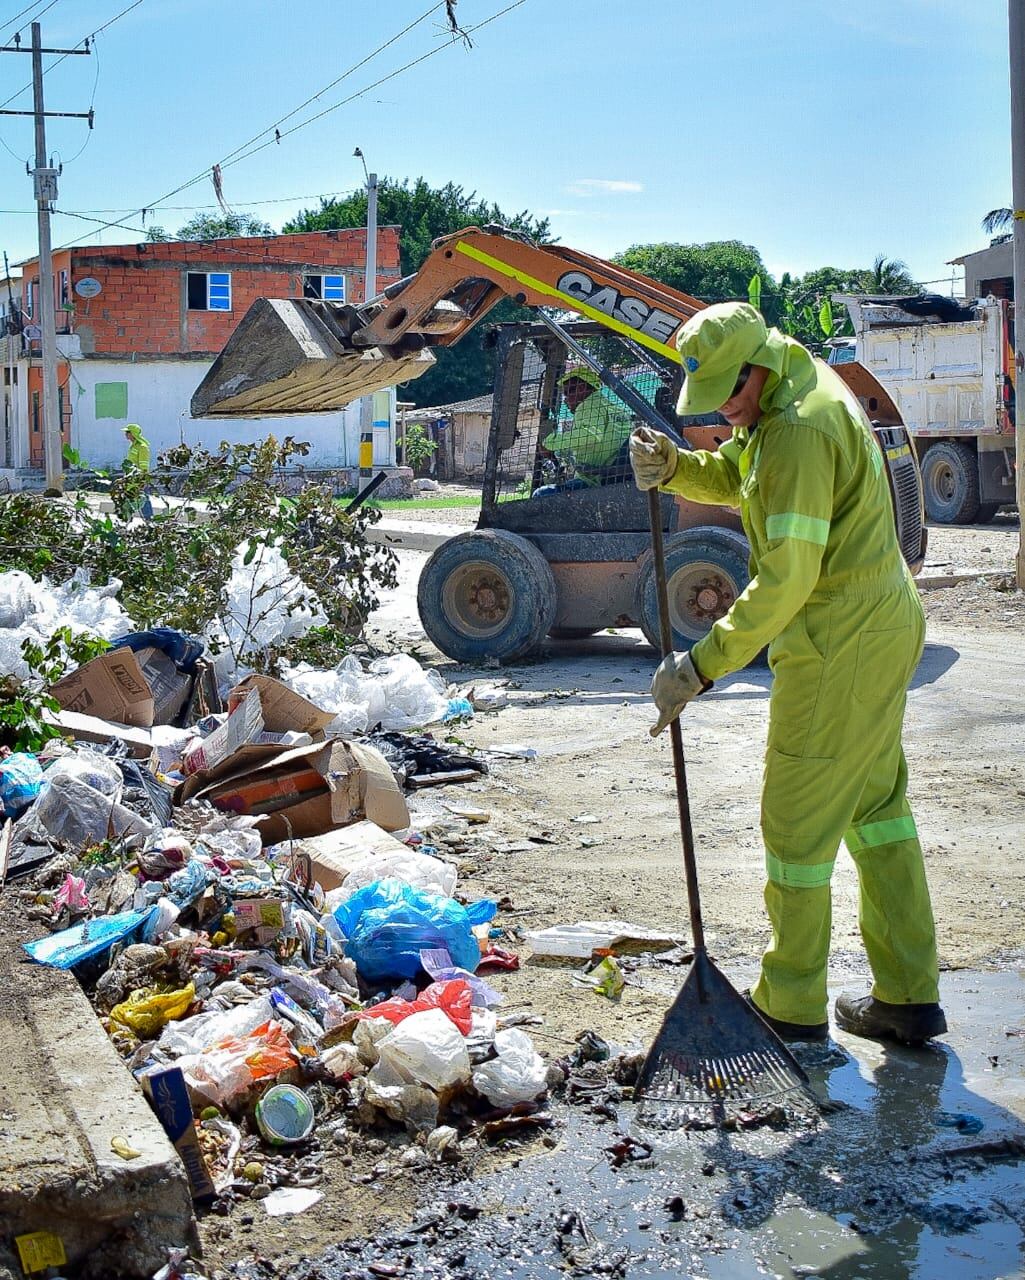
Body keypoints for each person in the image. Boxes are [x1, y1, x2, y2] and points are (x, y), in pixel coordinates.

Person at [629, 301, 945, 1047]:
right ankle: (906, 993)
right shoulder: (789, 393)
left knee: (795, 826)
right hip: (873, 624)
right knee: (875, 814)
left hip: (840, 637)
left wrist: (700, 667)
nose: (723, 409)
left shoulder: (798, 428)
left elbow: (784, 581)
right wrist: (681, 467)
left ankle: (790, 1006)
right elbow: (747, 473)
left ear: (755, 365)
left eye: (726, 394)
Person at [535, 366, 633, 493]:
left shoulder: (588, 404)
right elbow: (598, 445)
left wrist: (550, 443)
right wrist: (560, 452)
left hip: (594, 481)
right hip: (615, 478)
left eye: (567, 393)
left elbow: (590, 435)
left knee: (541, 494)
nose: (565, 400)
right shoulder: (616, 410)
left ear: (581, 388)